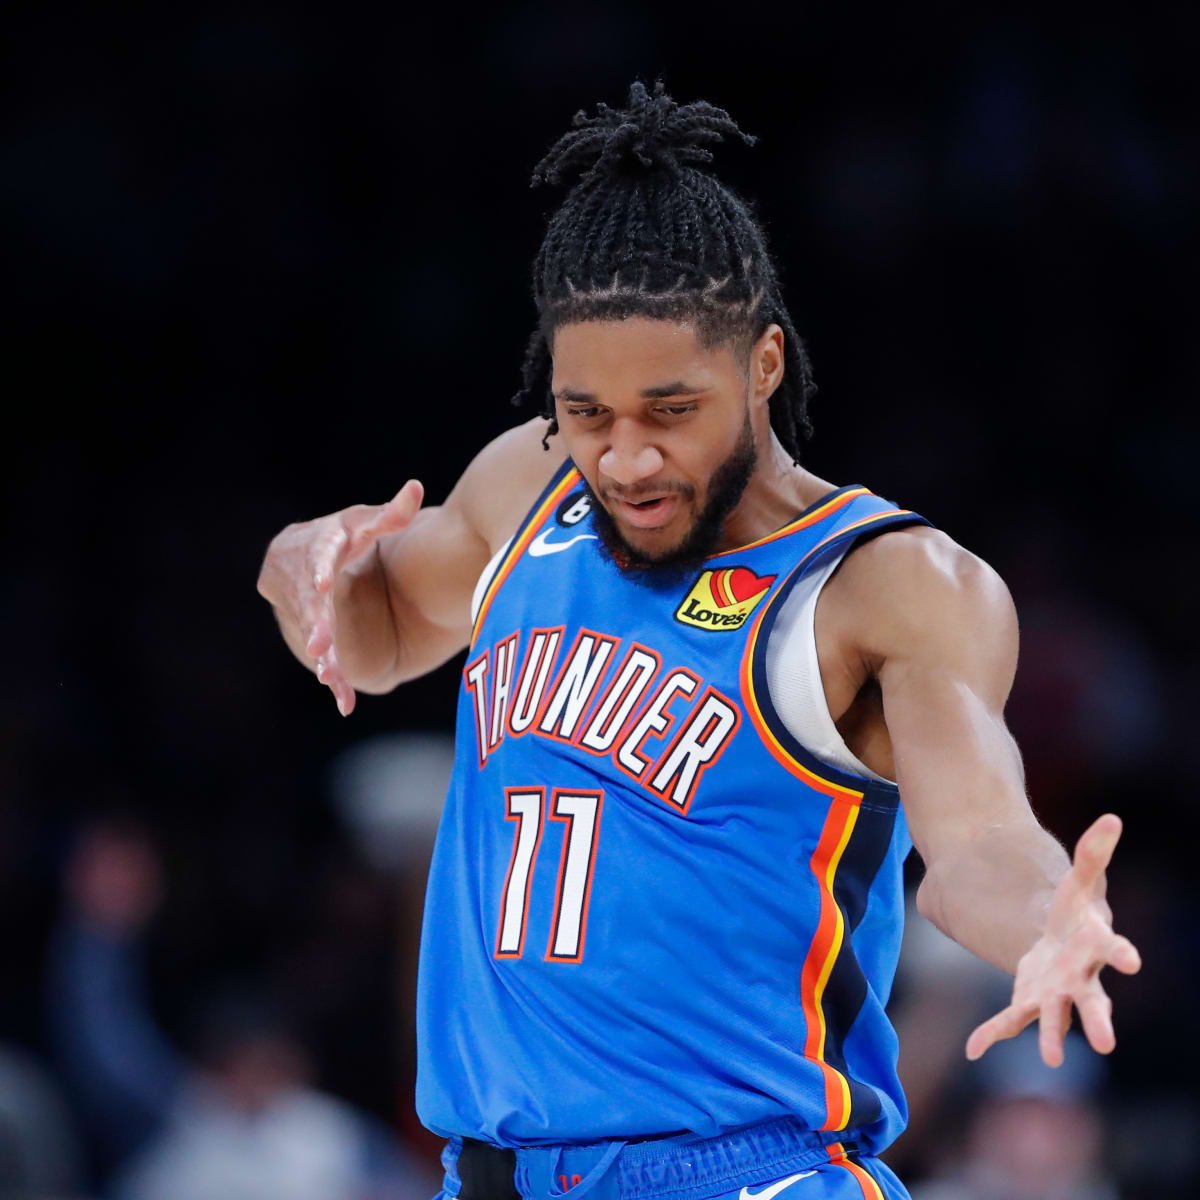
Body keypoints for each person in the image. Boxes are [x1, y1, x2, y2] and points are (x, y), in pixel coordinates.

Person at [256, 81, 1141, 1200]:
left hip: (743, 1172)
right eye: (587, 413)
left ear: (762, 365)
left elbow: (978, 840)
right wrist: (295, 562)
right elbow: (371, 632)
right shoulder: (529, 484)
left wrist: (1047, 917)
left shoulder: (884, 584)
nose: (625, 458)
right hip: (490, 1174)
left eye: (670, 411)